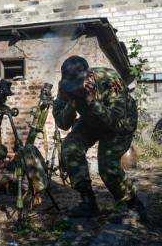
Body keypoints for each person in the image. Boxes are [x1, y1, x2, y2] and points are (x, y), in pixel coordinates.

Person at [52, 55, 145, 219]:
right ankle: (88, 202)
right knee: (70, 147)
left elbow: (114, 121)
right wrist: (71, 104)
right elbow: (63, 123)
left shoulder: (110, 80)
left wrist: (91, 101)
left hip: (120, 123)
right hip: (91, 119)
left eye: (77, 85)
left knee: (107, 166)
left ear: (89, 76)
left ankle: (132, 203)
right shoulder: (65, 86)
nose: (74, 88)